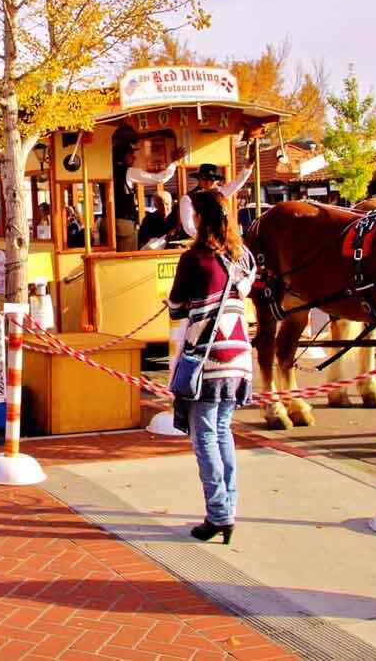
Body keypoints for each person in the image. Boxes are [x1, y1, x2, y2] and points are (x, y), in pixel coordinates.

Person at [167, 190, 256, 546]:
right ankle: (227, 508)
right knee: (222, 431)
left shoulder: (194, 260)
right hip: (238, 356)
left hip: (207, 358)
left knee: (204, 435)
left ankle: (219, 514)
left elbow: (176, 305)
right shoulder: (240, 257)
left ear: (200, 218)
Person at [113, 140, 183, 251]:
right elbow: (159, 178)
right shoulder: (128, 172)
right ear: (121, 156)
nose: (134, 157)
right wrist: (174, 163)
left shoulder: (109, 170)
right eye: (130, 154)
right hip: (124, 224)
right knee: (127, 260)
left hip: (108, 223)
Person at [178, 163, 255, 241]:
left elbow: (237, 182)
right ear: (199, 178)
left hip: (222, 239)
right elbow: (188, 226)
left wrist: (249, 166)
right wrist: (205, 238)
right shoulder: (188, 198)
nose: (208, 182)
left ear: (215, 180)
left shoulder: (220, 193)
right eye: (205, 178)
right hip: (199, 241)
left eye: (211, 179)